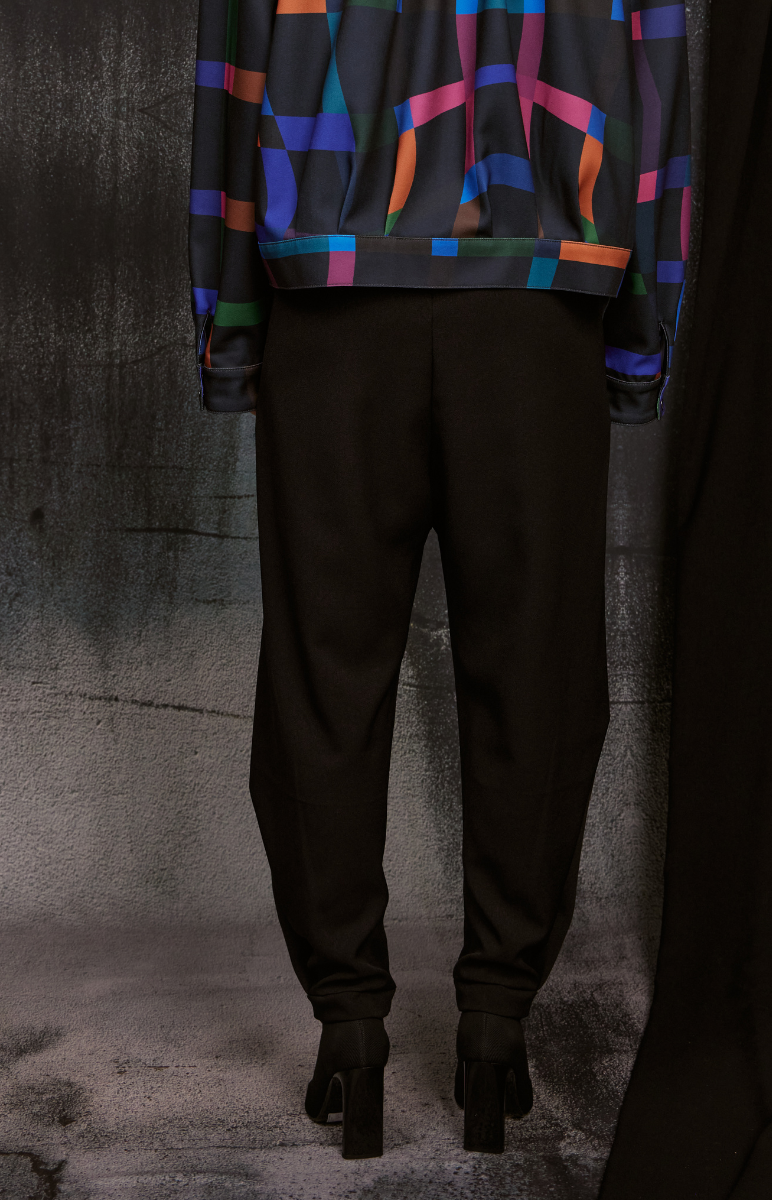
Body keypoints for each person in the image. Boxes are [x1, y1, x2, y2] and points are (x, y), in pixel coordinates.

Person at [189, 0, 689, 1159]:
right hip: (540, 300)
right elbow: (653, 84)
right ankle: (497, 1023)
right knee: (536, 672)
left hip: (332, 298)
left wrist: (233, 327)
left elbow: (235, 78)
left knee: (325, 673)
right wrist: (638, 335)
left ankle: (350, 1025)